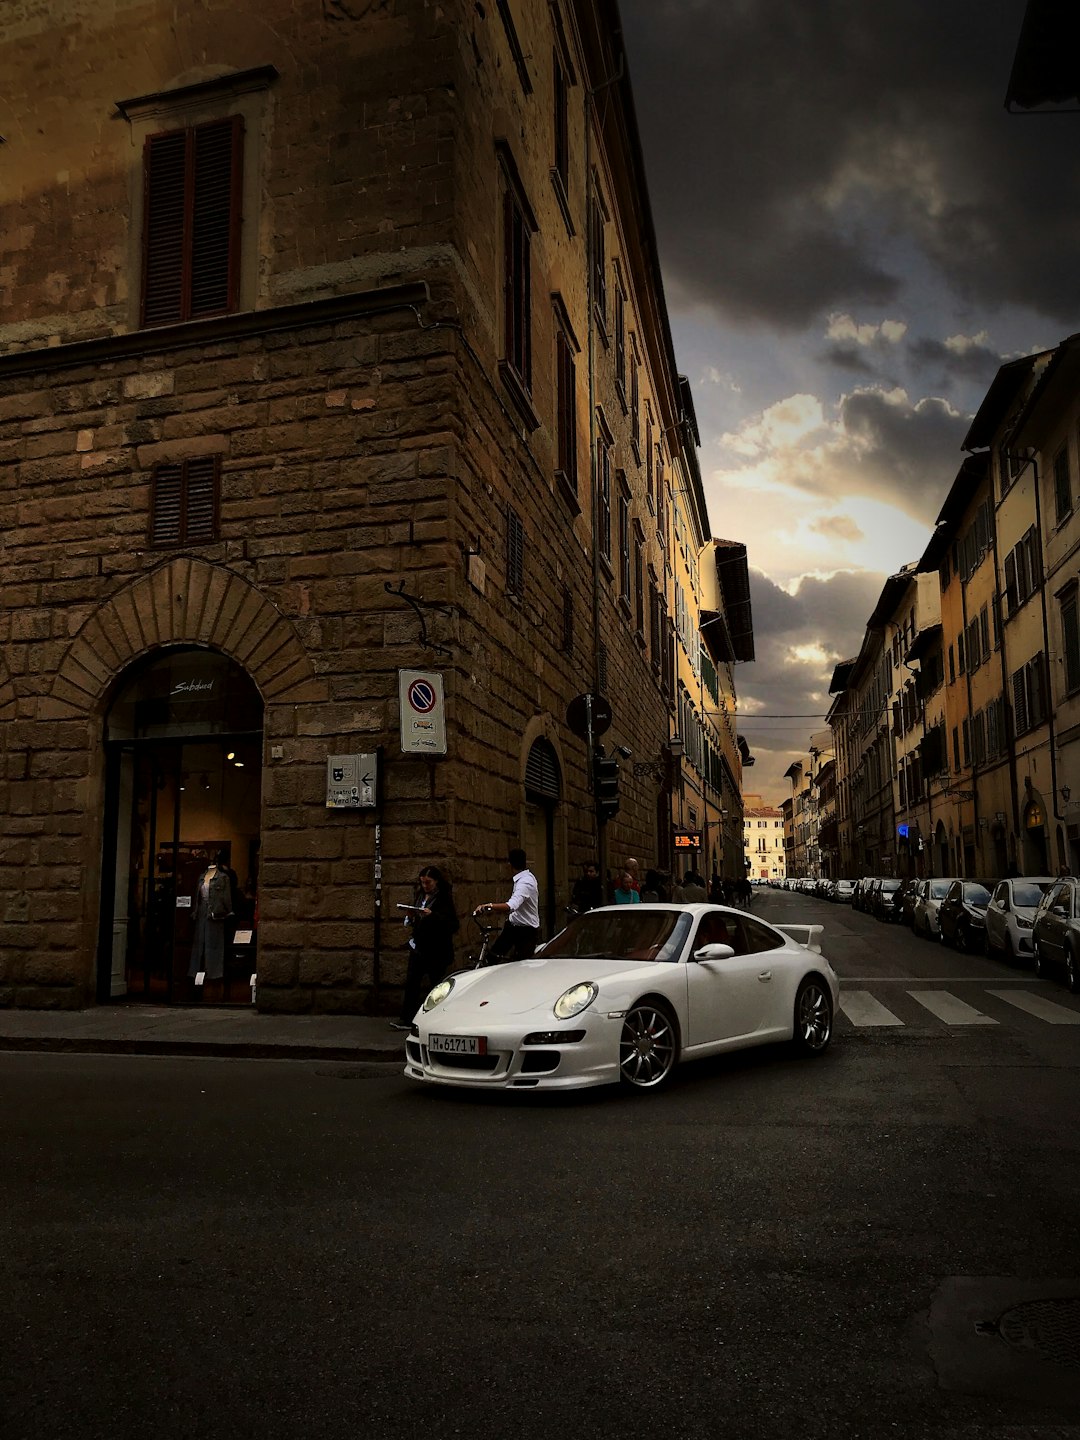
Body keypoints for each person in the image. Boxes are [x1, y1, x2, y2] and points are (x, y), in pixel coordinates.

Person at [393, 865, 459, 1030]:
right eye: (422, 883)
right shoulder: (420, 896)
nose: (425, 886)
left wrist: (432, 916)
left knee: (436, 985)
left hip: (436, 949)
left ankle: (437, 1019)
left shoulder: (443, 899)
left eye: (428, 883)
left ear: (436, 882)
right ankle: (407, 1018)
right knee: (412, 982)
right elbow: (415, 922)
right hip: (419, 947)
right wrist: (410, 916)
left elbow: (452, 924)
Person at [478, 848, 540, 960]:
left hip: (525, 931)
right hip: (513, 927)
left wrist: (489, 906)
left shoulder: (525, 882)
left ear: (510, 864)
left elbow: (511, 906)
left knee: (522, 965)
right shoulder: (524, 878)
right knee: (492, 957)